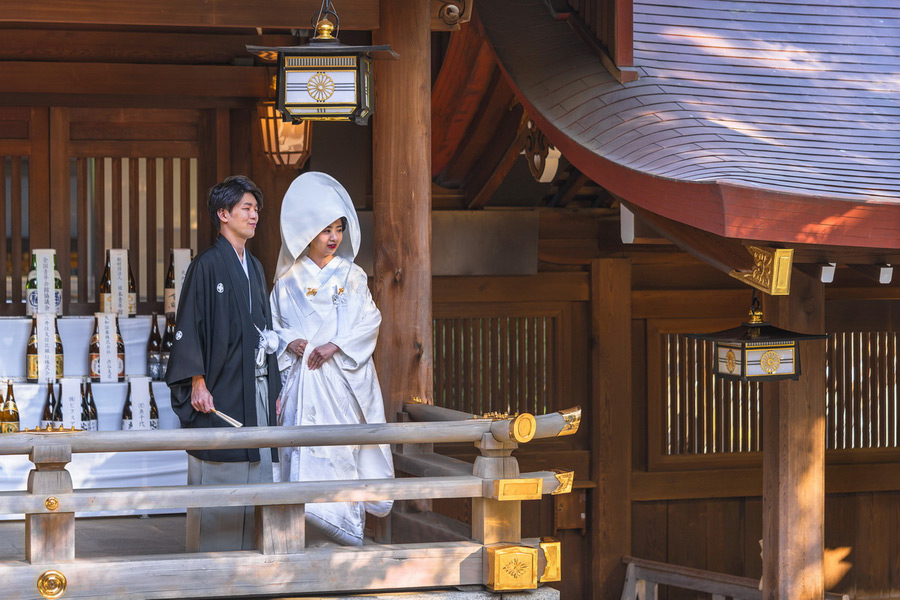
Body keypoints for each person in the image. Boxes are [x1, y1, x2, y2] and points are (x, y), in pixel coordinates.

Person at [271, 171, 394, 546]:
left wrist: (335, 345)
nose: (333, 237)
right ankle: (297, 539)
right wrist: (290, 341)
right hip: (305, 382)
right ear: (307, 232)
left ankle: (345, 528)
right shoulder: (287, 281)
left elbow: (370, 320)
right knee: (302, 450)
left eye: (338, 229)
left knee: (342, 451)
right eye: (326, 229)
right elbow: (274, 327)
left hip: (340, 380)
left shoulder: (353, 276)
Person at [166, 175, 281, 552]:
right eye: (246, 208)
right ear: (223, 213)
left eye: (256, 209)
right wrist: (196, 381)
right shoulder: (208, 265)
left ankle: (256, 564)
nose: (254, 215)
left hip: (257, 384)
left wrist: (275, 386)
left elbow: (266, 331)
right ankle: (214, 567)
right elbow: (190, 325)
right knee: (223, 468)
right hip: (222, 386)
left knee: (262, 468)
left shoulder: (257, 266)